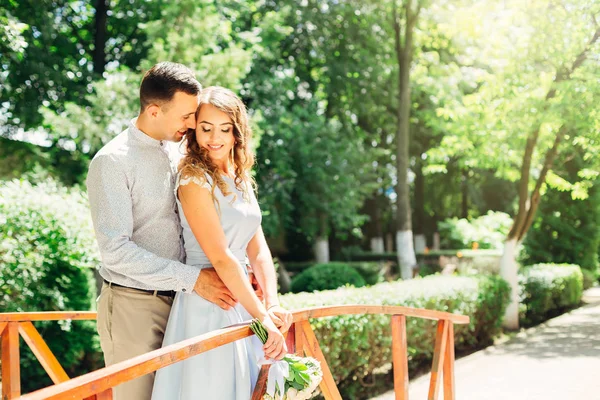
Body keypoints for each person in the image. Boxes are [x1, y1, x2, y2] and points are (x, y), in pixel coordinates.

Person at [87, 62, 247, 400]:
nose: (192, 125)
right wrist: (193, 278)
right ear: (155, 111)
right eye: (186, 116)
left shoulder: (178, 150)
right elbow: (115, 249)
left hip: (186, 306)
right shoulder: (112, 162)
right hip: (136, 306)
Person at [151, 86, 292, 400]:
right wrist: (262, 317)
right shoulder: (192, 179)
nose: (214, 138)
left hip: (242, 300)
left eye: (224, 129)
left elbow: (258, 248)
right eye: (206, 128)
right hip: (208, 304)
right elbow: (222, 257)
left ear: (237, 132)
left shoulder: (240, 177)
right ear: (194, 129)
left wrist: (272, 303)